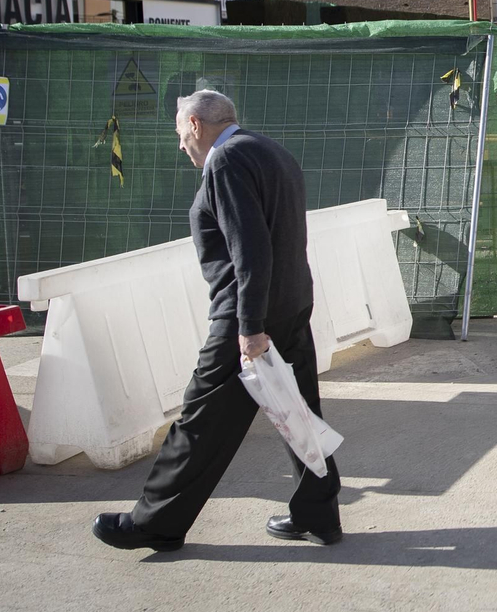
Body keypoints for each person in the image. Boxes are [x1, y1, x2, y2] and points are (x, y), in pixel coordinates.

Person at [92, 90, 341, 551]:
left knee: (200, 421)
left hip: (248, 314)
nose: (180, 146)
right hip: (290, 304)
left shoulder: (226, 160)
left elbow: (250, 247)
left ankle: (155, 523)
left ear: (194, 125)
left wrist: (249, 328)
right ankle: (318, 514)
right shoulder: (272, 151)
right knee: (298, 414)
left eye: (179, 134)